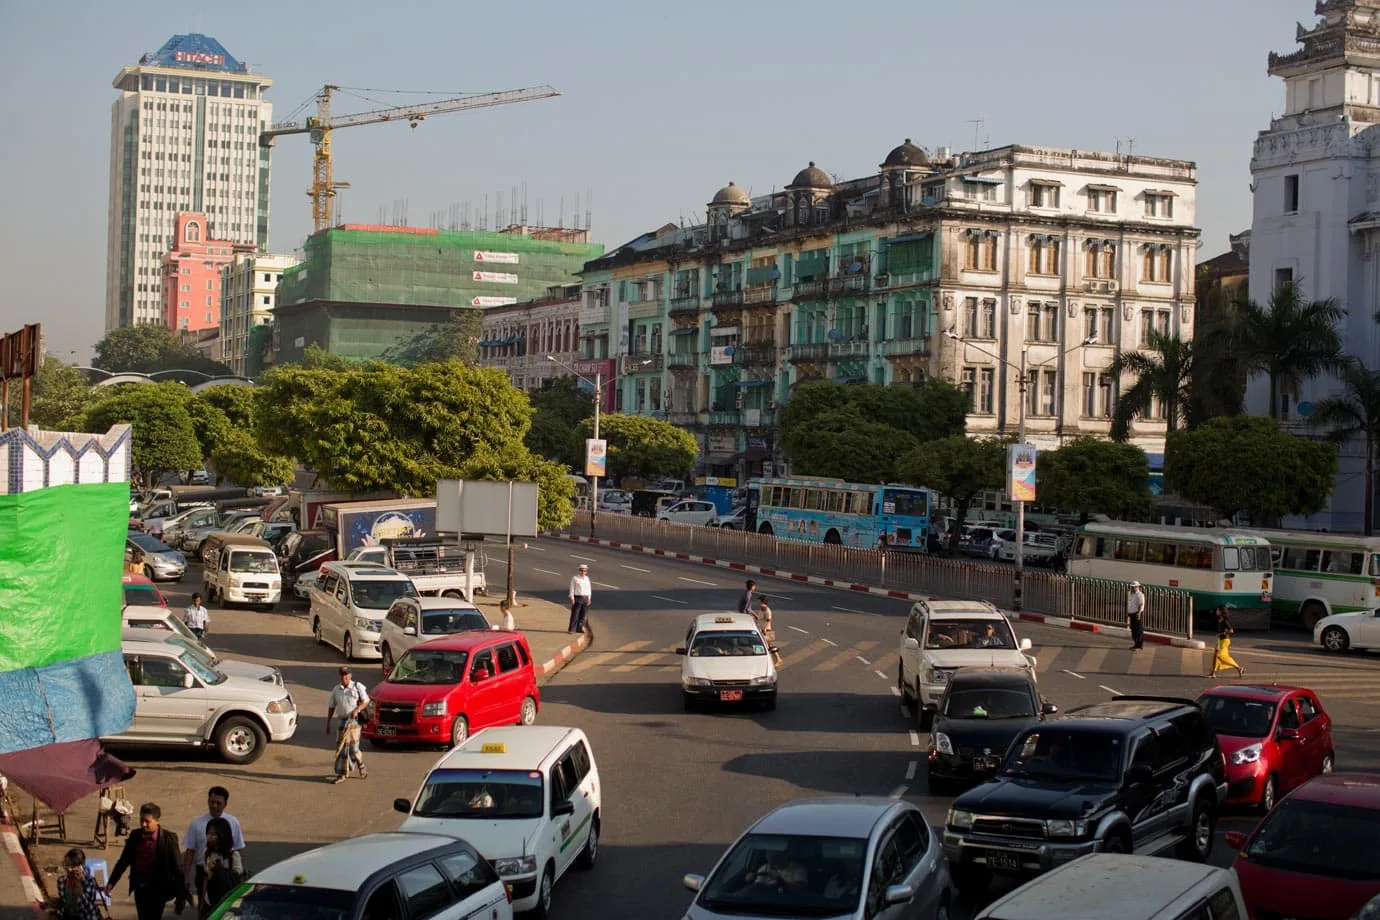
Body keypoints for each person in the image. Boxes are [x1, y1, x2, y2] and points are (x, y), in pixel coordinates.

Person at [107, 803, 191, 920]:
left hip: (159, 890)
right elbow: (124, 861)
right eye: (141, 820)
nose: (143, 824)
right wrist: (111, 882)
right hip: (140, 888)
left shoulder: (169, 839)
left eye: (147, 821)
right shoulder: (135, 836)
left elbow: (177, 867)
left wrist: (181, 895)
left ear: (157, 821)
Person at [182, 786, 245, 917]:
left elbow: (238, 849)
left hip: (227, 879)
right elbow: (189, 851)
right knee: (205, 909)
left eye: (218, 803)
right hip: (204, 875)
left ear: (225, 804)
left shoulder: (233, 822)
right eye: (211, 802)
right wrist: (186, 877)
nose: (214, 806)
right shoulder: (197, 824)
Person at [326, 666, 370, 784]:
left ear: (350, 675)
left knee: (353, 749)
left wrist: (358, 710)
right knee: (341, 748)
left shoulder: (357, 686)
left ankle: (361, 765)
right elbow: (331, 706)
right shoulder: (336, 689)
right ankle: (341, 774)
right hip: (341, 721)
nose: (344, 677)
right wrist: (328, 722)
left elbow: (366, 701)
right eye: (342, 675)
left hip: (354, 721)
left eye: (346, 675)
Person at [198, 817, 244, 917]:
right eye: (208, 833)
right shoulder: (207, 853)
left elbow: (237, 876)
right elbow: (206, 880)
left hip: (227, 903)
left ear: (222, 835)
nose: (209, 837)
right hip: (210, 901)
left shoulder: (232, 855)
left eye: (213, 834)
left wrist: (220, 871)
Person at [53, 847, 104, 920]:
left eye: (73, 866)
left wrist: (79, 889)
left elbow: (86, 906)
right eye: (67, 866)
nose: (69, 869)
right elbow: (65, 902)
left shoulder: (89, 881)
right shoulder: (62, 881)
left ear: (80, 867)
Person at [1208, 606, 1245, 678]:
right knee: (1215, 656)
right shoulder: (1219, 620)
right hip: (1220, 640)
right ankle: (1213, 673)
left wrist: (1222, 633)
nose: (1216, 611)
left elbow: (1231, 630)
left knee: (1221, 655)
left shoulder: (1225, 621)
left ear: (1221, 611)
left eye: (1218, 610)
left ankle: (1239, 668)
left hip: (1225, 640)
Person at [755, 597, 783, 668]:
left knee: (769, 645)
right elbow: (760, 618)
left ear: (763, 603)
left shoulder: (767, 611)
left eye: (760, 602)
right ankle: (776, 660)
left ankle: (778, 659)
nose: (758, 604)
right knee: (766, 645)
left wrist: (764, 628)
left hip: (767, 630)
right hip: (761, 629)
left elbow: (768, 620)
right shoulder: (762, 610)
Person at [568, 564, 592, 634]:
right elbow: (572, 588)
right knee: (575, 614)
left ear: (586, 571)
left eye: (584, 571)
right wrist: (572, 598)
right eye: (581, 570)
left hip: (585, 598)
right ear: (579, 570)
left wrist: (589, 598)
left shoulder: (587, 578)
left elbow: (589, 589)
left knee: (583, 615)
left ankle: (579, 628)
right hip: (578, 598)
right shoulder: (575, 578)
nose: (583, 572)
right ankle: (572, 629)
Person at [1126, 581, 1146, 650]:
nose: (1132, 588)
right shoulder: (1130, 594)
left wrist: (1139, 612)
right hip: (1131, 613)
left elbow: (1141, 604)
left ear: (1137, 587)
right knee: (1133, 630)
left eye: (1134, 587)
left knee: (1139, 630)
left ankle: (1139, 645)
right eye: (1132, 587)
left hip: (1137, 613)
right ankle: (1136, 644)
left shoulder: (1140, 595)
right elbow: (1129, 604)